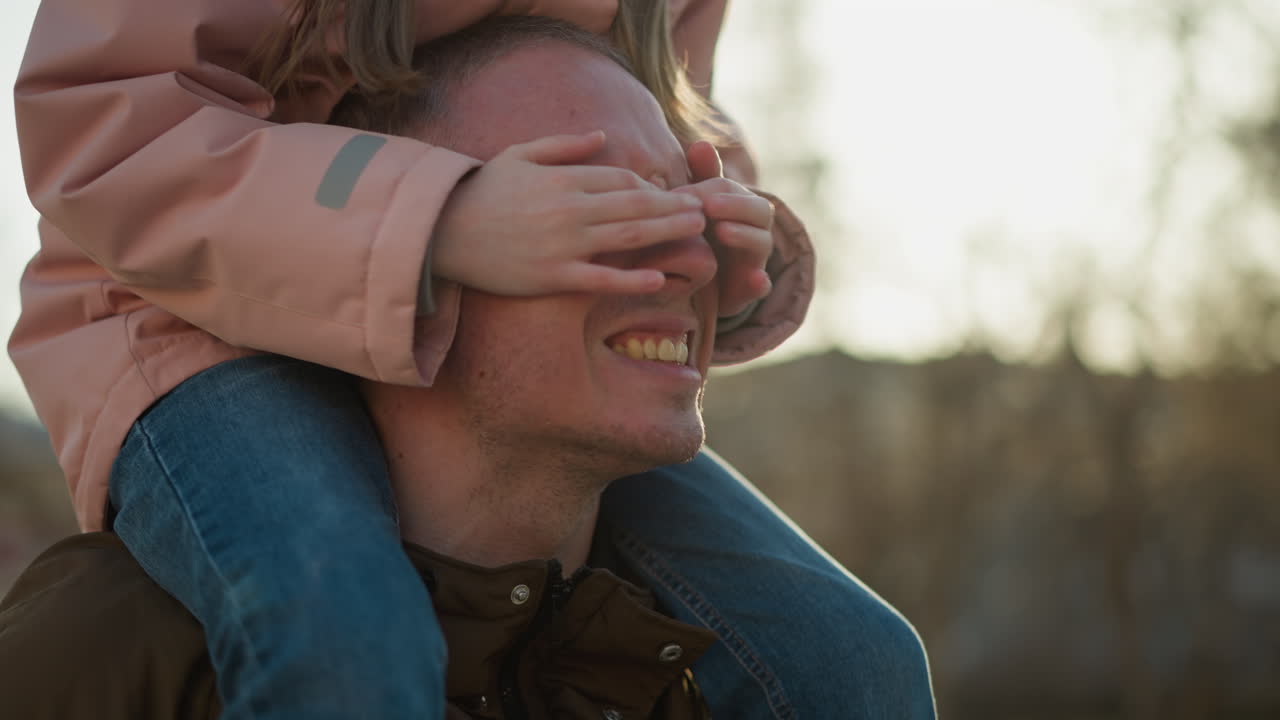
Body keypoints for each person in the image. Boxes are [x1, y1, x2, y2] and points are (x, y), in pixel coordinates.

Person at [8, 3, 929, 720]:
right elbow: (112, 121)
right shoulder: (93, 655)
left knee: (849, 654)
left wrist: (715, 233)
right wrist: (442, 221)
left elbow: (668, 107)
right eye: (594, 196)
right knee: (345, 634)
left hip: (469, 324)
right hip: (181, 316)